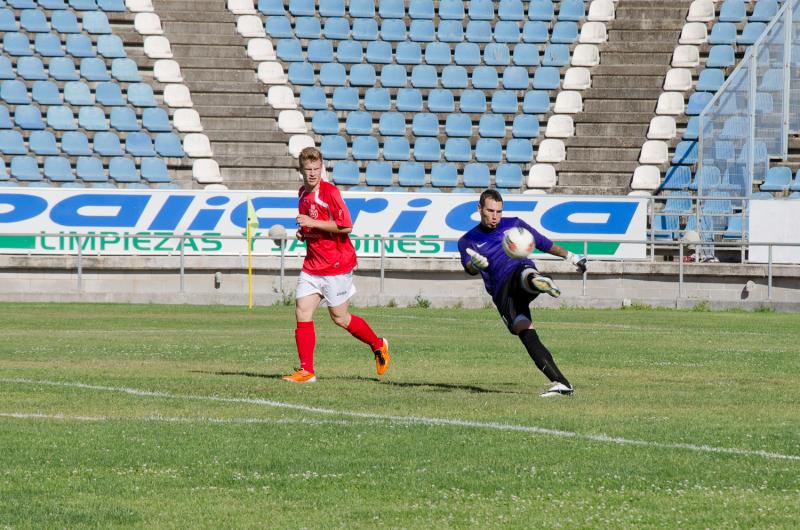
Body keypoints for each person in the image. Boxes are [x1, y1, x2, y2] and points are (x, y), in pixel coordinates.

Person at [457, 189, 587, 397]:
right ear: (479, 209)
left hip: (518, 273)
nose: (495, 216)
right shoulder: (468, 240)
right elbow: (468, 268)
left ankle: (536, 281)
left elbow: (543, 243)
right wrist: (474, 263)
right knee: (524, 330)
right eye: (490, 211)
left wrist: (571, 256)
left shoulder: (514, 224)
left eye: (499, 212)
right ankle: (562, 383)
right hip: (502, 293)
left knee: (524, 271)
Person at [282, 147, 390, 383]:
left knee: (340, 317)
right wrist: (304, 232)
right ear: (301, 170)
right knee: (302, 310)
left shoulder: (329, 192)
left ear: (322, 168)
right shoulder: (302, 193)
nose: (312, 173)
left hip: (336, 265)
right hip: (312, 264)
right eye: (308, 169)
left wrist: (313, 222)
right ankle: (306, 371)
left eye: (316, 169)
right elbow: (313, 226)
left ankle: (378, 344)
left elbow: (346, 226)